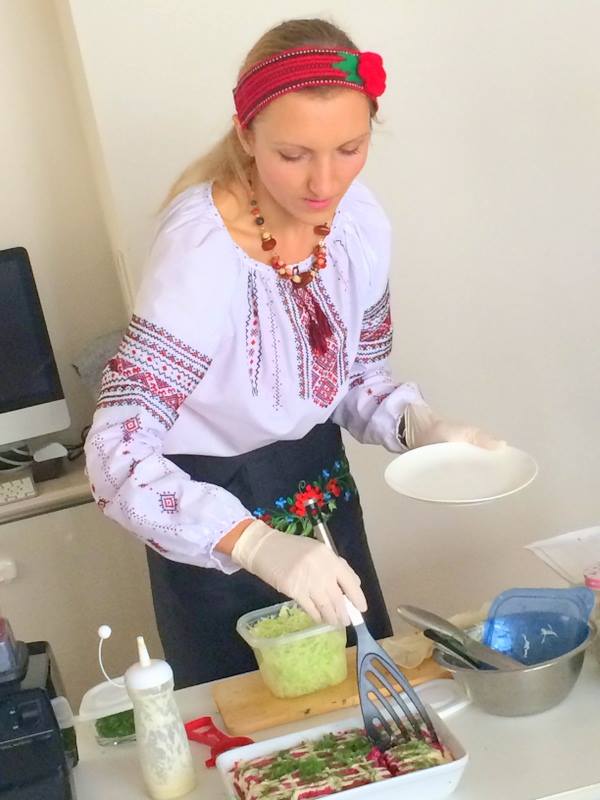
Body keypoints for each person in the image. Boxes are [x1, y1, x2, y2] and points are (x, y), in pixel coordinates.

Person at [85, 18, 502, 688]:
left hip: (321, 487)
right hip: (209, 513)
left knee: (367, 696)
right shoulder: (201, 252)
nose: (323, 182)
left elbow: (354, 375)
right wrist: (255, 543)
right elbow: (115, 453)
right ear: (245, 134)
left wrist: (417, 426)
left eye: (350, 148)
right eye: (293, 154)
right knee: (253, 718)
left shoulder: (359, 224)